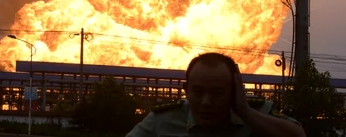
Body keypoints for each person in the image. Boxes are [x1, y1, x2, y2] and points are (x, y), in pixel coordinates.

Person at [126, 52, 306, 137]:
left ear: (234, 92)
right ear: (186, 90)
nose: (206, 102)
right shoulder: (163, 121)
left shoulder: (255, 116)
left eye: (217, 93)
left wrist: (246, 113)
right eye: (197, 92)